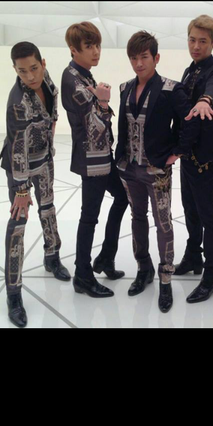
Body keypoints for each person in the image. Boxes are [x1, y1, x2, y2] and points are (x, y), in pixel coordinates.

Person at [115, 31, 202, 313]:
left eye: (144, 57)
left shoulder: (170, 89)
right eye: (133, 58)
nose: (138, 63)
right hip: (130, 168)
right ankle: (144, 268)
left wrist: (177, 152)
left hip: (157, 169)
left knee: (163, 221)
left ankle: (166, 278)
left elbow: (190, 121)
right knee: (137, 218)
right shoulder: (125, 87)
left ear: (156, 58)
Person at [0, 42, 71, 329]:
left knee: (48, 208)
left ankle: (52, 256)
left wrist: (50, 136)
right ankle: (13, 293)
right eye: (22, 71)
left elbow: (52, 111)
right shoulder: (17, 102)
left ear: (43, 62)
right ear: (14, 69)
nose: (30, 76)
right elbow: (17, 148)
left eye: (34, 68)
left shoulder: (47, 80)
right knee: (18, 223)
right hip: (21, 168)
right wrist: (21, 190)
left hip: (45, 159)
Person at [61, 22, 129, 299]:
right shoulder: (73, 80)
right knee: (89, 217)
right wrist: (103, 102)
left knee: (122, 197)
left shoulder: (83, 74)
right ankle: (83, 275)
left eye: (97, 45)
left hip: (101, 156)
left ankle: (105, 258)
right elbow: (94, 126)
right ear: (74, 49)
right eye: (89, 46)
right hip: (91, 160)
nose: (96, 51)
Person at [174, 15, 213, 303]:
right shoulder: (190, 70)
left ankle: (212, 274)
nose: (196, 46)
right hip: (187, 151)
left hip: (205, 155)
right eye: (192, 40)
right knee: (189, 208)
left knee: (207, 212)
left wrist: (205, 100)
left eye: (202, 41)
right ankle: (193, 256)